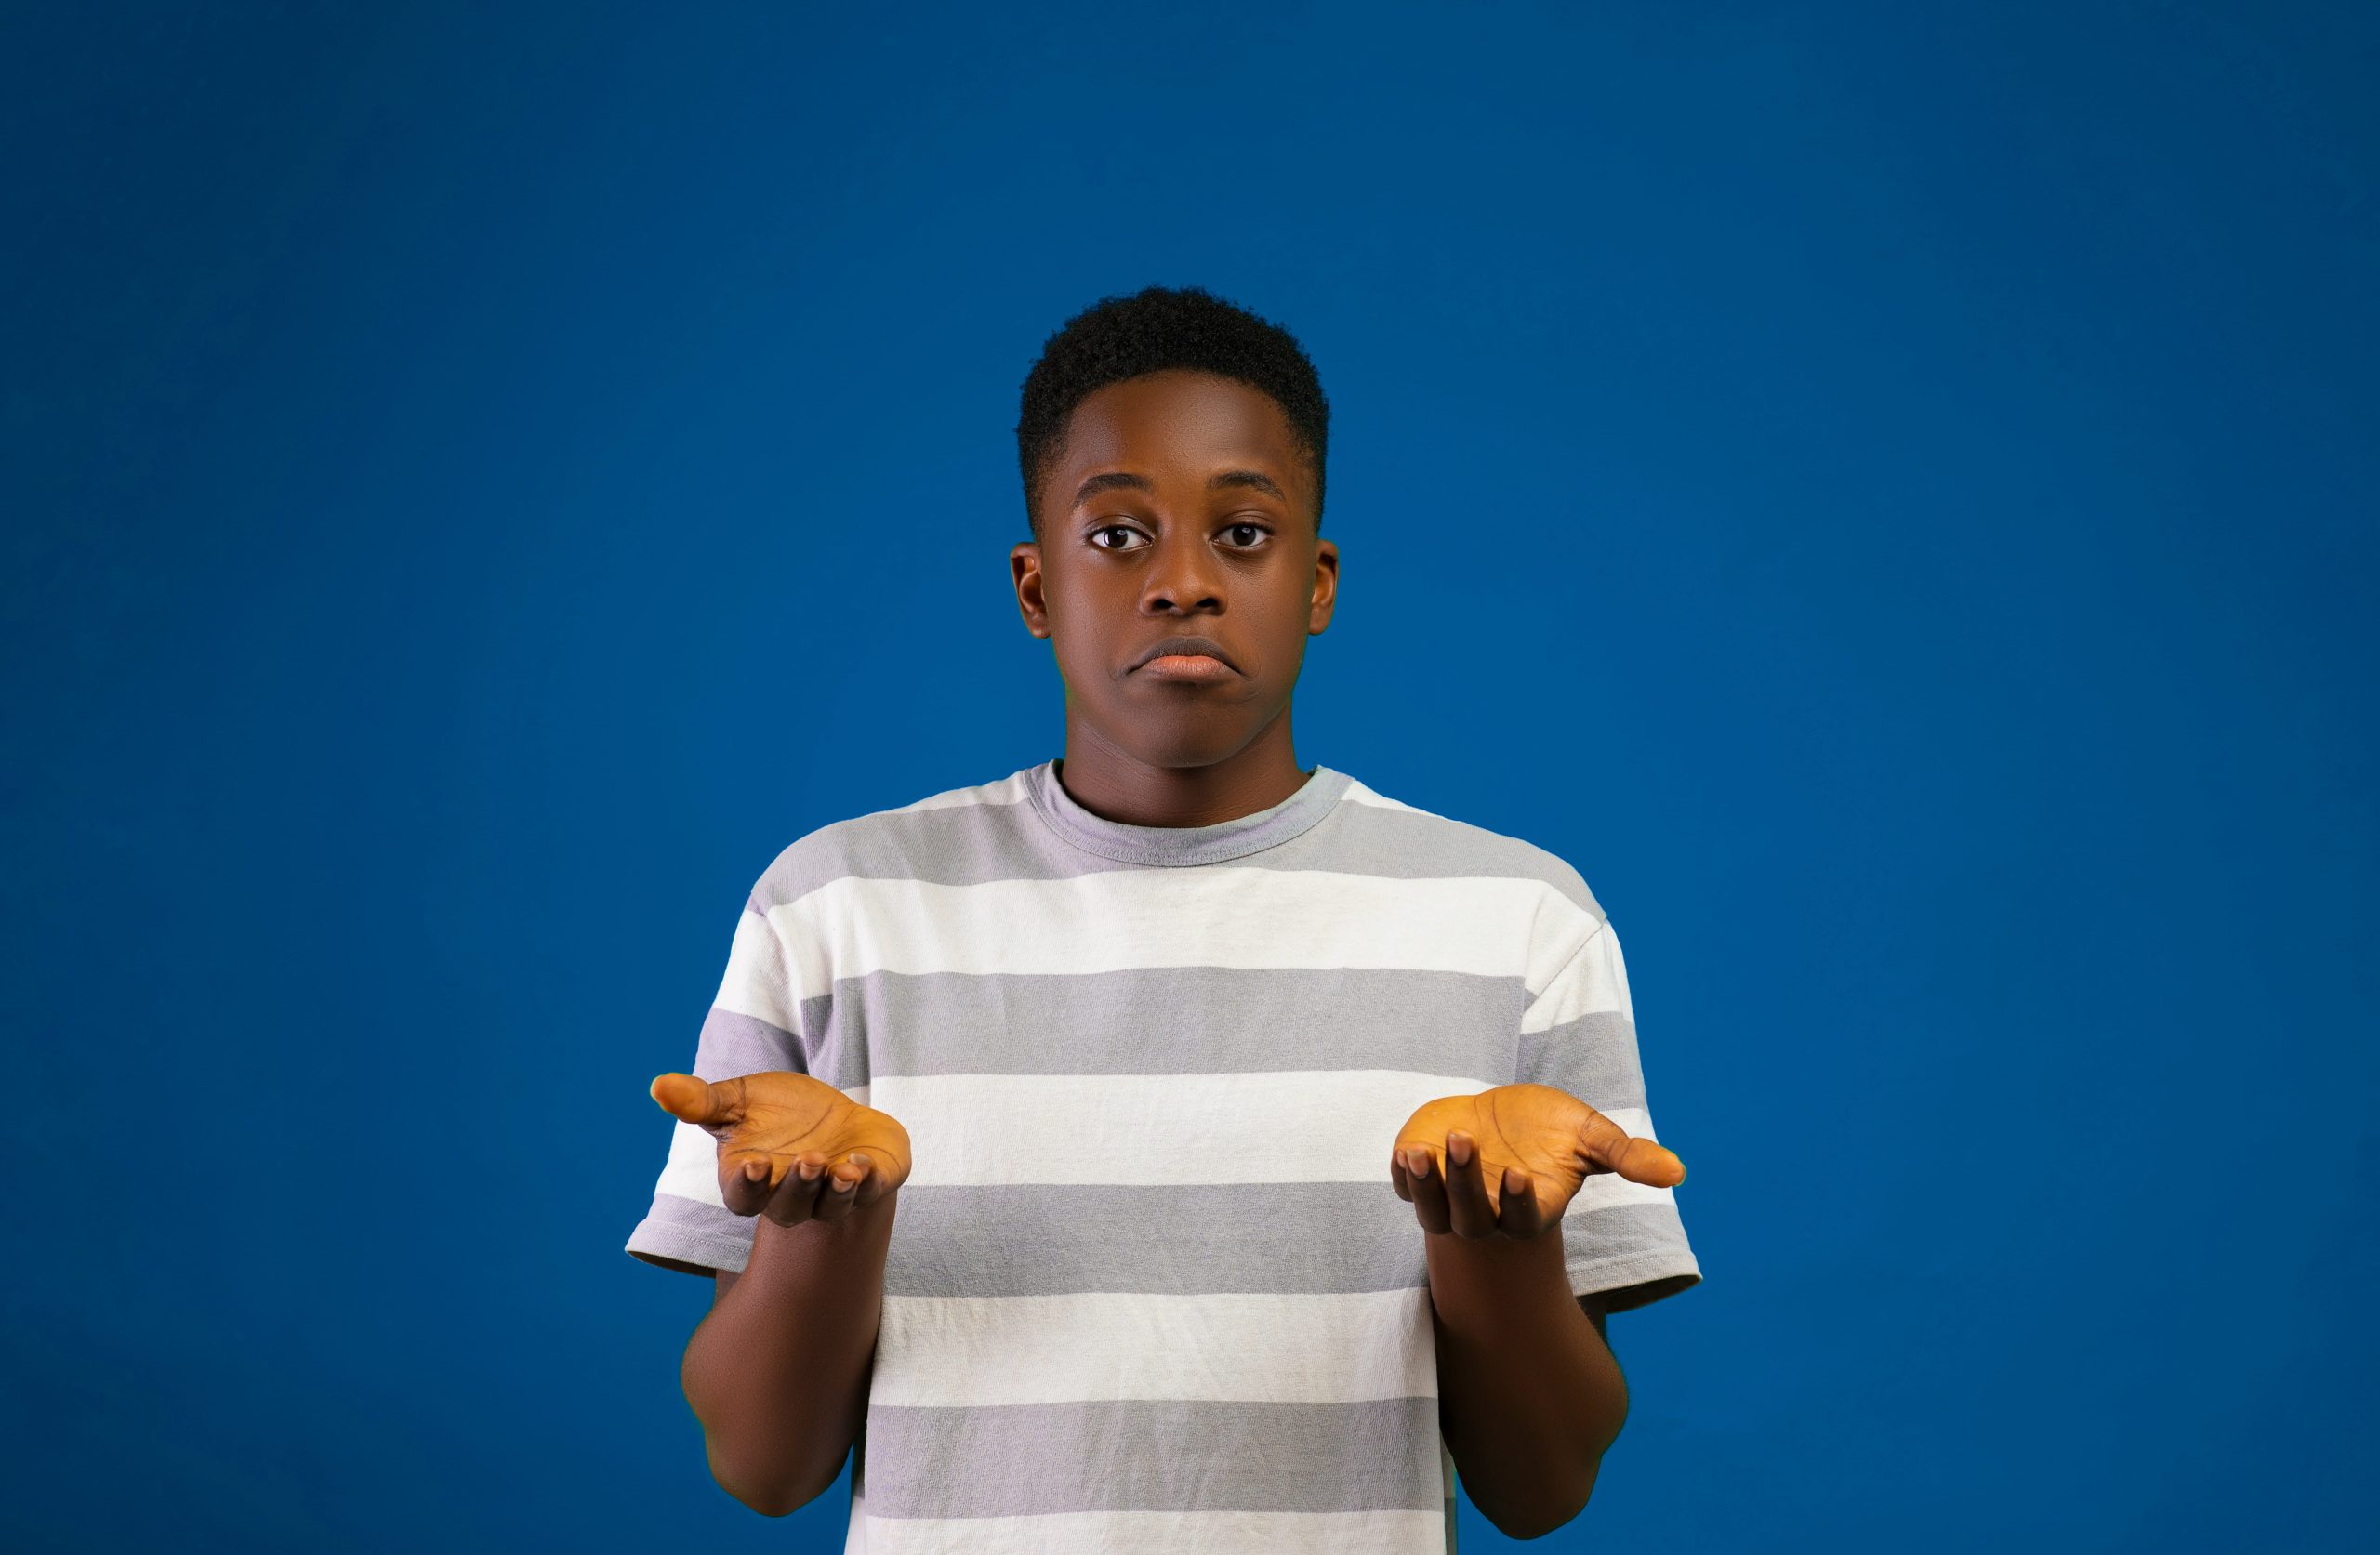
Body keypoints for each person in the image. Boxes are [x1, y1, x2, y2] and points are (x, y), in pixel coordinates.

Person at [623, 283, 1703, 1551]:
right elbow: (762, 1462)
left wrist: (1492, 1239)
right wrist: (828, 1225)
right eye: (1119, 536)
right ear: (1035, 587)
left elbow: (1542, 1485)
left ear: (1318, 581)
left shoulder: (1519, 920)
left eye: (1242, 533)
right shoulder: (836, 910)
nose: (1183, 580)